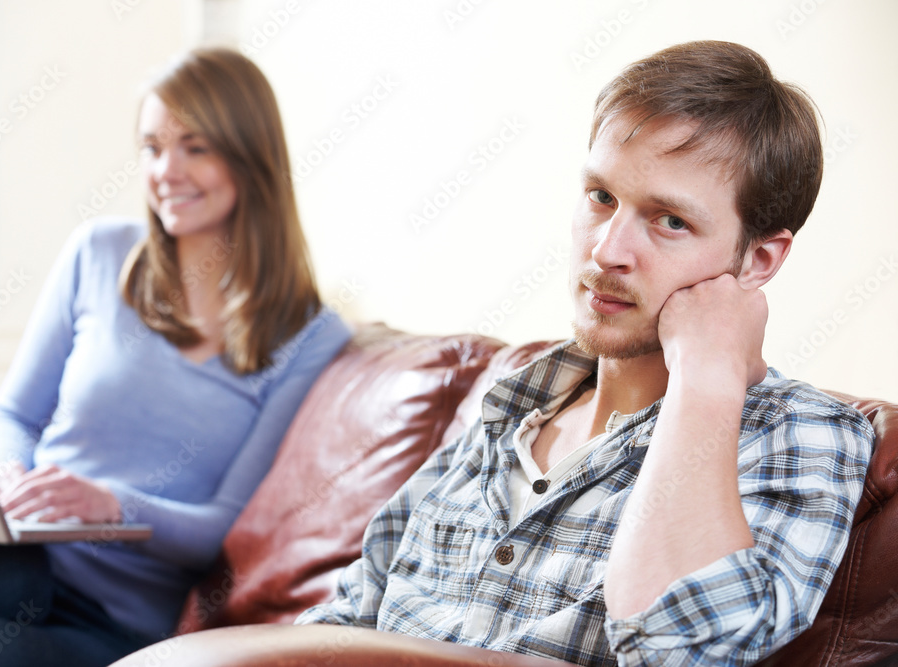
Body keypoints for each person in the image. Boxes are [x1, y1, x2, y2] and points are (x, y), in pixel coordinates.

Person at [293, 41, 874, 665]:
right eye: (601, 196)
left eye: (670, 220)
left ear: (757, 261)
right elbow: (333, 628)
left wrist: (704, 379)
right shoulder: (507, 413)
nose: (606, 251)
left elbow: (681, 650)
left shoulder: (802, 434)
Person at [0, 48, 351, 666]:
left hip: (108, 617)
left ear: (249, 154)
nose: (166, 169)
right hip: (14, 554)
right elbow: (13, 414)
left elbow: (220, 529)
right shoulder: (98, 253)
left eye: (194, 146)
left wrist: (112, 505)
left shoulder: (310, 335)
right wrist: (5, 475)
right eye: (151, 147)